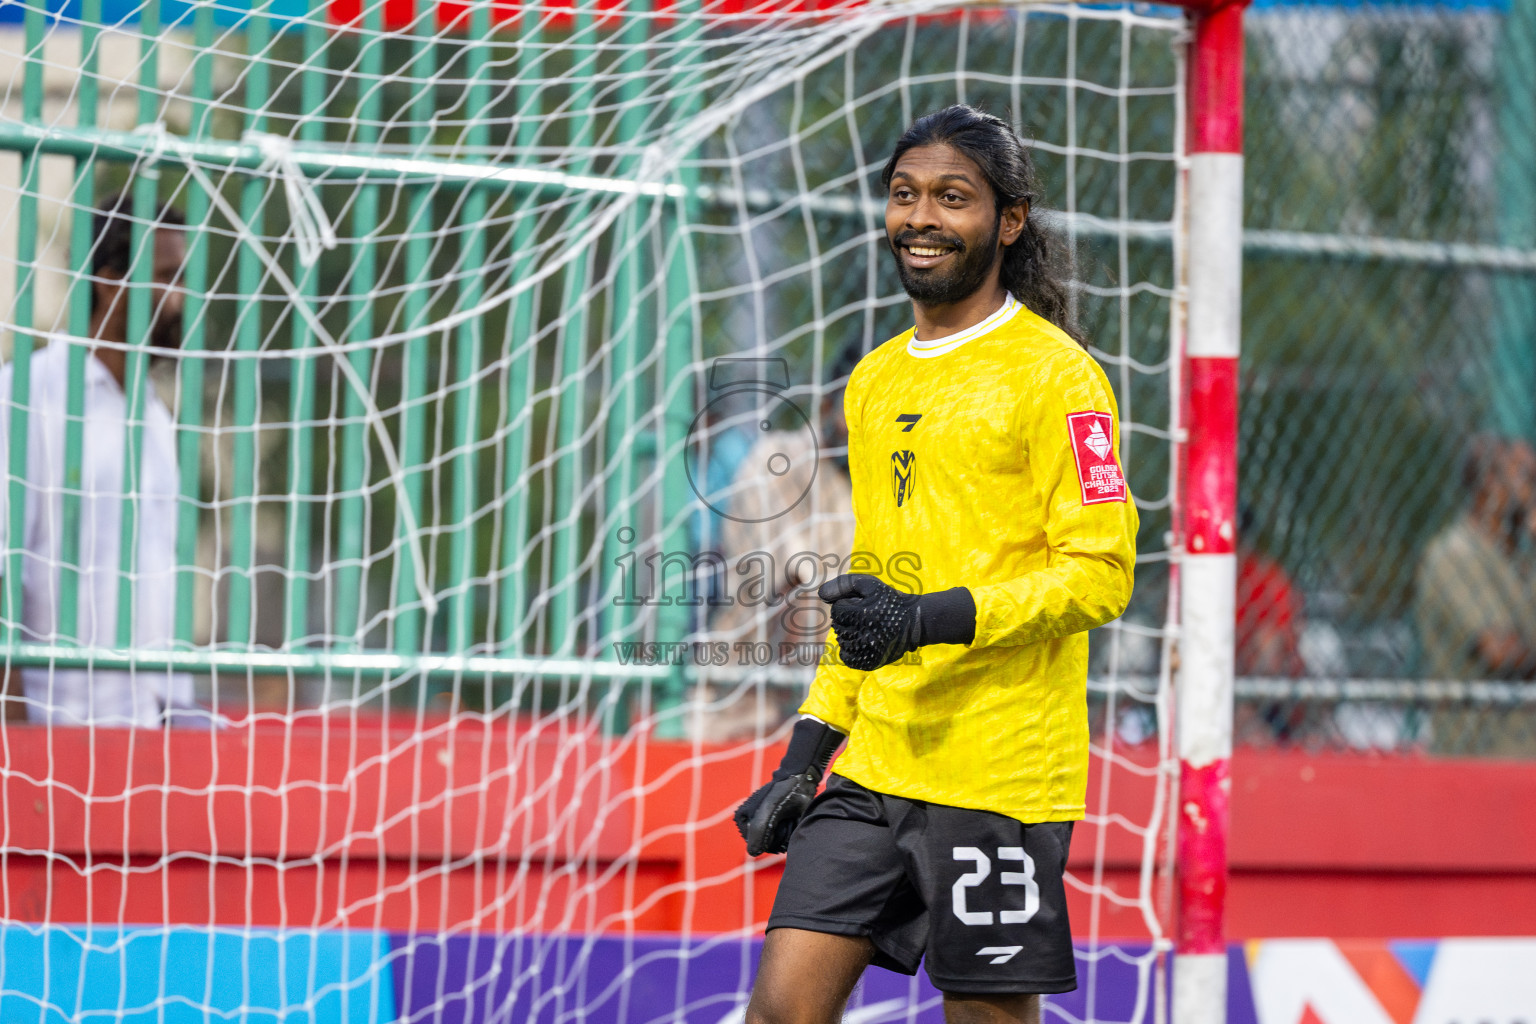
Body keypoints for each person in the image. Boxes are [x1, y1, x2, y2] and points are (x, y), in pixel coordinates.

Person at [733, 106, 1138, 1024]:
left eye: (953, 198)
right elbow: (868, 591)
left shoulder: (1059, 377)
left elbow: (1101, 574)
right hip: (876, 767)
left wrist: (926, 619)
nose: (922, 217)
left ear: (1010, 220)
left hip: (999, 778)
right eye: (904, 194)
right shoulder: (874, 381)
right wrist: (804, 758)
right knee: (781, 1011)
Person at [0, 190, 195, 727]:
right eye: (168, 277)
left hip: (157, 722)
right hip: (61, 727)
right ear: (109, 283)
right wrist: (14, 729)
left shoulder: (153, 412)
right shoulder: (26, 396)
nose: (182, 298)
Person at [690, 345, 860, 741]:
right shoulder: (778, 457)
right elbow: (790, 581)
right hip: (749, 690)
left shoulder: (890, 474)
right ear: (827, 405)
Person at [1416, 435, 1536, 680]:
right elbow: (1500, 652)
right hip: (1478, 705)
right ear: (1490, 483)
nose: (1531, 492)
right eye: (1527, 478)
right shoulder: (1455, 555)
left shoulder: (1519, 559)